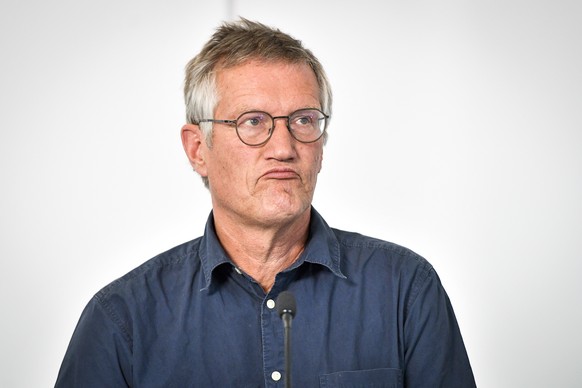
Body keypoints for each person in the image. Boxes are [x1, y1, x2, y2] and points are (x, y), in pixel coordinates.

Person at [55, 19, 476, 387]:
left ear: (322, 145)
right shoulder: (122, 319)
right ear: (198, 148)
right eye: (253, 121)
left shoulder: (405, 290)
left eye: (303, 120)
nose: (284, 147)